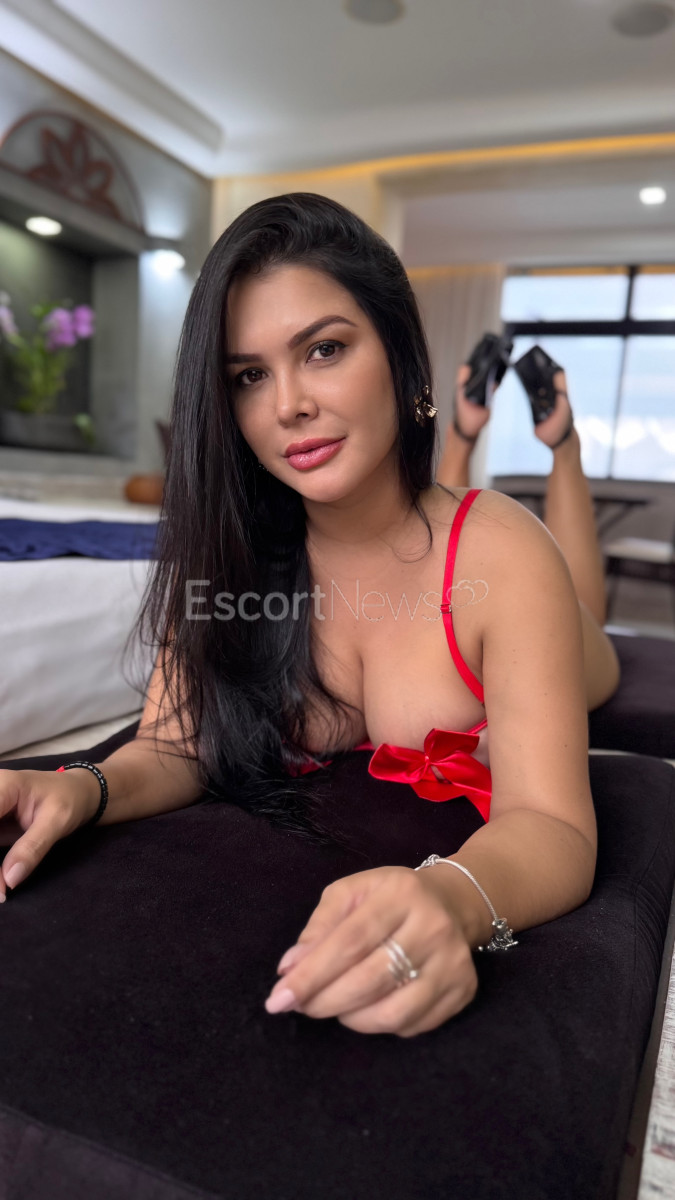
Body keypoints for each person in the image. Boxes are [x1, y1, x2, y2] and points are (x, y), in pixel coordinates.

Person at [0, 193, 620, 1038]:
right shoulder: (231, 553)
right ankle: (469, 434)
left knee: (580, 605)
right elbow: (173, 744)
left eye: (323, 349)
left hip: (551, 623)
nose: (287, 403)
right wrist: (79, 785)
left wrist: (453, 897)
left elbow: (551, 823)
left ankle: (562, 443)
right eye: (248, 376)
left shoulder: (501, 558)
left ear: (397, 349)